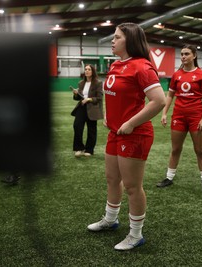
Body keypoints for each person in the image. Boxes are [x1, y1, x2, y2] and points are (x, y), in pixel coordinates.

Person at [87, 23, 165, 250]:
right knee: (112, 179)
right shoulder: (116, 65)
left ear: (129, 41)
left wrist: (130, 123)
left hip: (135, 134)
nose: (112, 41)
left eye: (117, 37)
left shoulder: (142, 67)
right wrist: (109, 116)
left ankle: (135, 234)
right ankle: (110, 220)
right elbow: (110, 94)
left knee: (132, 186)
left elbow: (159, 101)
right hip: (116, 132)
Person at [156, 44, 202, 194]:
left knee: (200, 150)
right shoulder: (177, 75)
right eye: (181, 54)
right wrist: (164, 113)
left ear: (194, 55)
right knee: (175, 149)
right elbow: (170, 95)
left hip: (196, 117)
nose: (183, 57)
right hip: (179, 117)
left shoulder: (201, 74)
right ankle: (169, 177)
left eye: (186, 54)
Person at [71, 64, 103, 157]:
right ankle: (78, 148)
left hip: (92, 108)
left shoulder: (98, 83)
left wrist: (89, 99)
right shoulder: (81, 83)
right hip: (81, 107)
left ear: (92, 71)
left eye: (89, 69)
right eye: (85, 69)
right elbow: (78, 98)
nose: (87, 71)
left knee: (91, 129)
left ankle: (89, 149)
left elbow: (99, 98)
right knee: (77, 126)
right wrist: (76, 94)